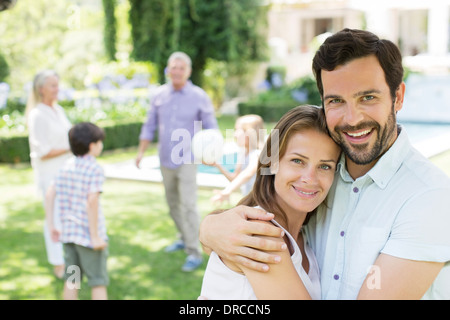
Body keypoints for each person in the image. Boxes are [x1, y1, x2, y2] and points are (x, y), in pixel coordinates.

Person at [199, 28, 450, 299]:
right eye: (336, 101)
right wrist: (211, 228)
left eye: (368, 97)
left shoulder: (430, 197)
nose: (352, 119)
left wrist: (210, 229)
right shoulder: (325, 177)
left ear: (398, 97)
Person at [200, 105, 340, 299]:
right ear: (272, 163)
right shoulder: (259, 234)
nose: (310, 178)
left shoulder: (305, 238)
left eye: (325, 166)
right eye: (298, 161)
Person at [136, 51, 219, 272]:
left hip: (187, 158)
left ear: (188, 71)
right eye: (173, 67)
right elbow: (149, 124)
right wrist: (141, 152)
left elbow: (211, 127)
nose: (177, 71)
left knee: (188, 204)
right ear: (168, 70)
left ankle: (194, 252)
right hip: (165, 157)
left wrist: (211, 152)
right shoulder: (159, 95)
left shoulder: (199, 95)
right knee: (172, 202)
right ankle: (183, 237)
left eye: (181, 68)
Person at [45, 122, 108, 300]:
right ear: (92, 145)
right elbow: (92, 201)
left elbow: (50, 195)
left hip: (69, 236)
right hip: (88, 239)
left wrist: (52, 226)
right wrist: (95, 236)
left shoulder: (65, 167)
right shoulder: (94, 168)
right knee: (98, 281)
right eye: (99, 142)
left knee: (72, 280)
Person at [26, 69, 72, 279]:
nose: (57, 88)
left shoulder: (58, 109)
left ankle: (69, 258)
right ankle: (57, 263)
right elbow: (42, 151)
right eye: (53, 85)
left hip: (66, 172)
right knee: (53, 219)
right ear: (41, 89)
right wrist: (70, 147)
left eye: (57, 84)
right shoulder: (37, 115)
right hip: (50, 176)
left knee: (68, 217)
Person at [209, 114, 265, 205]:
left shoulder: (257, 154)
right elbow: (234, 178)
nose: (235, 135)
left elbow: (248, 173)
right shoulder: (243, 154)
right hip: (250, 202)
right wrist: (218, 165)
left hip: (260, 203)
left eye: (237, 130)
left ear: (249, 133)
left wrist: (227, 191)